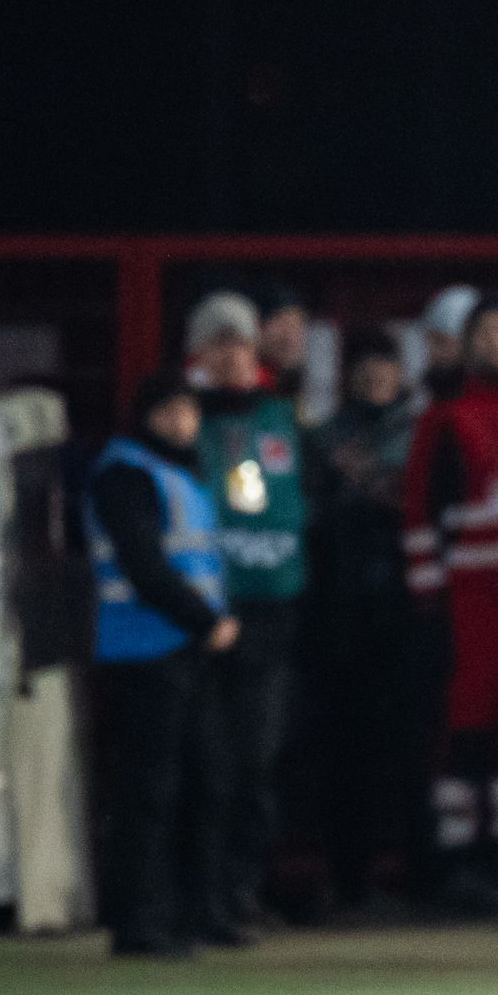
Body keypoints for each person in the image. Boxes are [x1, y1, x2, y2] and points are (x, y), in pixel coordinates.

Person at [402, 293, 498, 909]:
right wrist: (427, 588)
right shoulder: (445, 417)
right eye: (483, 332)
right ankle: (460, 861)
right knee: (465, 724)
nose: (495, 342)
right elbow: (421, 508)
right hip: (469, 596)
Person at [87, 375, 241, 957]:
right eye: (169, 412)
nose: (182, 423)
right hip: (144, 650)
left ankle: (195, 913)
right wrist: (208, 620)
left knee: (203, 784)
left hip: (182, 650)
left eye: (188, 411)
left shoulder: (176, 474)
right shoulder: (128, 475)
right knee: (148, 794)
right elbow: (144, 564)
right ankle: (142, 923)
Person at [187, 291, 310, 925]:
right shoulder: (184, 423)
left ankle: (241, 891)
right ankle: (203, 895)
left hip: (272, 616)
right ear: (198, 354)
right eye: (220, 344)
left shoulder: (282, 417)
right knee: (211, 764)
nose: (234, 356)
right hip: (205, 619)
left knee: (256, 765)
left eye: (241, 343)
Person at [303, 326, 421, 916]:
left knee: (408, 752)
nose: (377, 378)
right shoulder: (322, 440)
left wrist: (377, 488)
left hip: (407, 613)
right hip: (339, 617)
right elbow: (307, 518)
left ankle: (417, 878)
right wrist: (354, 493)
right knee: (345, 755)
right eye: (367, 368)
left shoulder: (420, 431)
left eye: (386, 367)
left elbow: (422, 507)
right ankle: (350, 880)